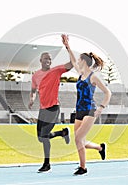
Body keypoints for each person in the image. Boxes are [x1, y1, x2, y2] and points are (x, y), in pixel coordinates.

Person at [62, 34, 111, 175]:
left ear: (84, 61)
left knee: (78, 139)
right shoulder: (80, 74)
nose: (77, 61)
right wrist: (68, 47)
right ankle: (100, 148)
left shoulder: (93, 76)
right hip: (79, 110)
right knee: (79, 140)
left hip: (90, 110)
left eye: (79, 59)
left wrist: (101, 108)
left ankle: (83, 168)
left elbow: (108, 93)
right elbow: (72, 60)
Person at [29, 52, 73, 173]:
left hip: (53, 108)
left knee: (44, 136)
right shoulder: (36, 75)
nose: (48, 60)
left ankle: (47, 164)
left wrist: (68, 48)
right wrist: (32, 98)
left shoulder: (56, 71)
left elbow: (71, 64)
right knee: (40, 138)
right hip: (42, 110)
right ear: (40, 60)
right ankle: (63, 132)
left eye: (50, 59)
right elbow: (33, 90)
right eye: (45, 58)